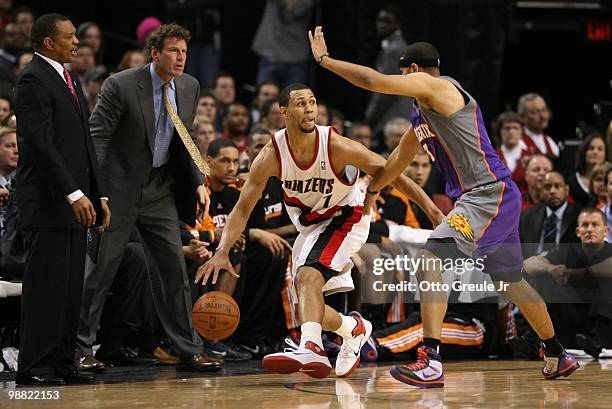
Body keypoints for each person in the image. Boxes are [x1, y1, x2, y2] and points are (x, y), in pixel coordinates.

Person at [308, 30, 578, 386]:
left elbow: (373, 80)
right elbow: (396, 162)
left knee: (430, 259)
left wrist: (326, 62)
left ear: (415, 70)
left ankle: (431, 360)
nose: (403, 83)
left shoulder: (440, 88)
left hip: (487, 194)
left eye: (404, 75)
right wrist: (372, 191)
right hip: (491, 196)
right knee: (510, 280)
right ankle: (557, 354)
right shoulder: (423, 115)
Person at [195, 83, 443, 379]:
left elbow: (391, 170)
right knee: (308, 301)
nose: (310, 108)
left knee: (307, 276)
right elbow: (243, 208)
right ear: (283, 111)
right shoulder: (271, 155)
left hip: (346, 218)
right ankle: (353, 329)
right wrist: (222, 251)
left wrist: (434, 211)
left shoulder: (336, 146)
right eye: (301, 103)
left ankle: (311, 347)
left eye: (313, 102)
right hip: (311, 228)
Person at [78, 23, 219, 372]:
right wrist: (98, 193)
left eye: (184, 51)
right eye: (173, 50)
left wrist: (199, 180)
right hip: (119, 190)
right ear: (154, 53)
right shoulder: (121, 84)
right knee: (99, 271)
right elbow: (96, 139)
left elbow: (184, 138)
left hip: (159, 191)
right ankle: (80, 348)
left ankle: (189, 349)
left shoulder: (189, 86)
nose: (181, 57)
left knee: (173, 270)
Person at [14, 13, 110, 386]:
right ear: (49, 43)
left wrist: (98, 193)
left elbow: (85, 144)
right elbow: (40, 144)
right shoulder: (32, 80)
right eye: (70, 37)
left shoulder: (68, 77)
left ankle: (61, 363)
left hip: (77, 202)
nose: (77, 42)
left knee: (70, 290)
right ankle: (34, 367)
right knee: (45, 289)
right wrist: (73, 194)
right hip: (49, 203)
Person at [524, 207, 612, 358]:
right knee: (543, 277)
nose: (589, 229)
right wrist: (551, 269)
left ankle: (598, 342)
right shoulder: (567, 251)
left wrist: (575, 273)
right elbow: (529, 264)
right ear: (578, 232)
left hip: (602, 320)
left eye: (595, 225)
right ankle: (534, 339)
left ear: (606, 231)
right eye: (585, 225)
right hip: (573, 318)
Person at [365, 6, 413, 139]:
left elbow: (383, 87)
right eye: (379, 21)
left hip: (392, 117)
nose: (381, 25)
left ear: (397, 24)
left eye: (387, 21)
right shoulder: (399, 46)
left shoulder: (394, 49)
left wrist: (369, 117)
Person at [519, 171, 581, 258]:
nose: (552, 191)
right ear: (541, 192)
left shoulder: (580, 216)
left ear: (566, 190)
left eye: (557, 186)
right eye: (547, 187)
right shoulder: (527, 217)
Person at [567, 132, 607, 208]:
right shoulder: (571, 182)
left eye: (600, 149)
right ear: (584, 152)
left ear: (606, 154)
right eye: (591, 148)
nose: (595, 152)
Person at [517, 92, 559, 157]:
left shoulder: (549, 142)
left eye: (544, 110)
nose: (542, 116)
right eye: (535, 112)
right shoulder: (516, 142)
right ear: (522, 117)